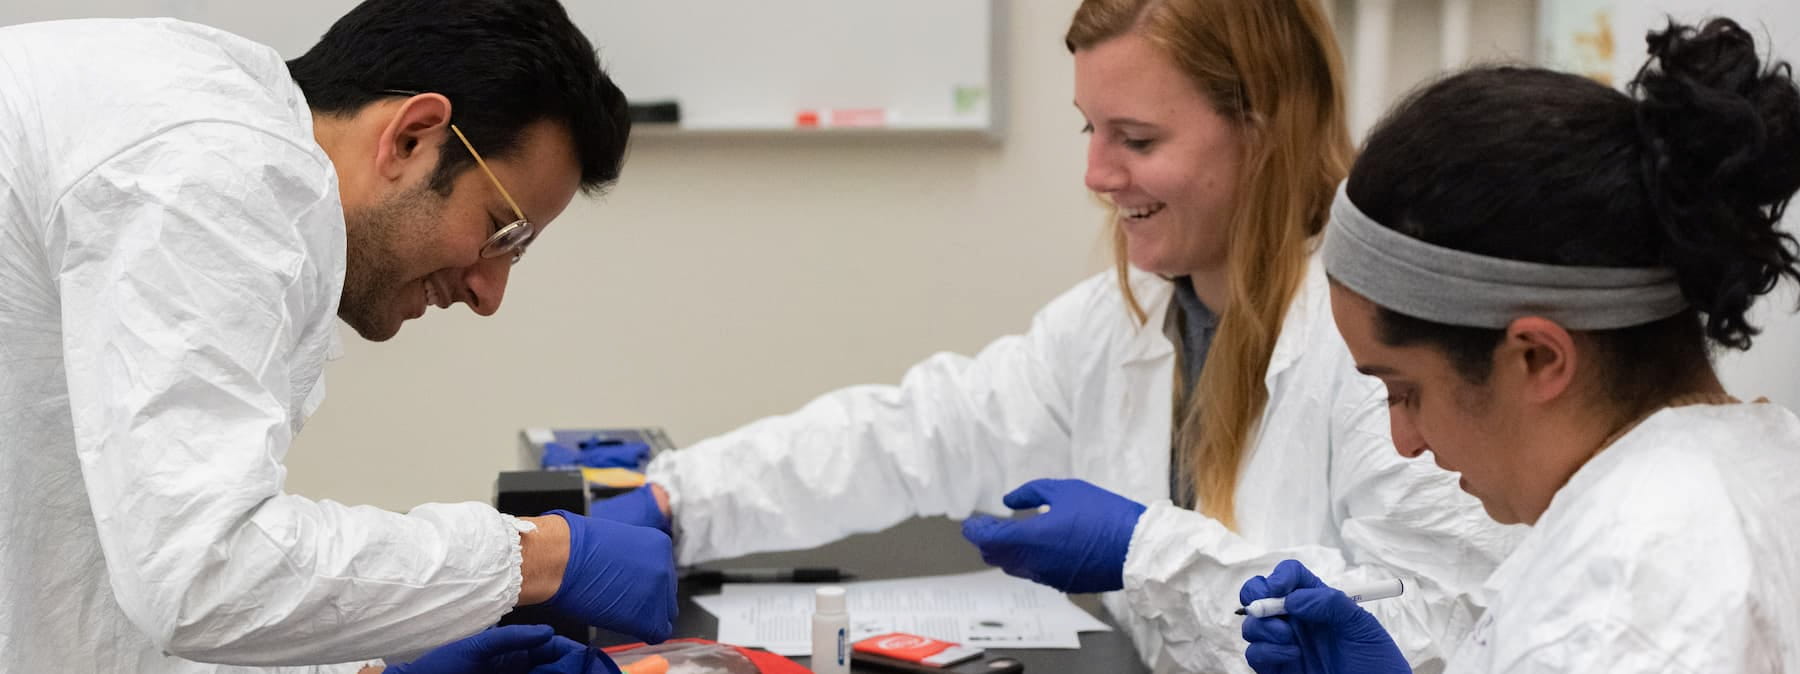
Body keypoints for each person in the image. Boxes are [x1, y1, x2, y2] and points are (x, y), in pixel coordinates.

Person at [594, 1, 1517, 671]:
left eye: (1137, 139)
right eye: (1087, 129)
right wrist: (680, 499)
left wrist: (1143, 550)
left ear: (1264, 129)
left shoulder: (1382, 348)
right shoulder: (1126, 318)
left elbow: (1434, 629)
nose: (1096, 173)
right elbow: (915, 431)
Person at [0, 1, 678, 671]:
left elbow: (116, 581)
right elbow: (201, 582)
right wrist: (536, 557)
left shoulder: (216, 142)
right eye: (502, 231)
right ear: (413, 137)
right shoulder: (210, 170)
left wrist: (363, 672)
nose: (488, 294)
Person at [1238, 17, 1800, 673]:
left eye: (1404, 391)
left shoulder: (1608, 599)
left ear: (1538, 357)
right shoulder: (1760, 459)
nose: (1404, 441)